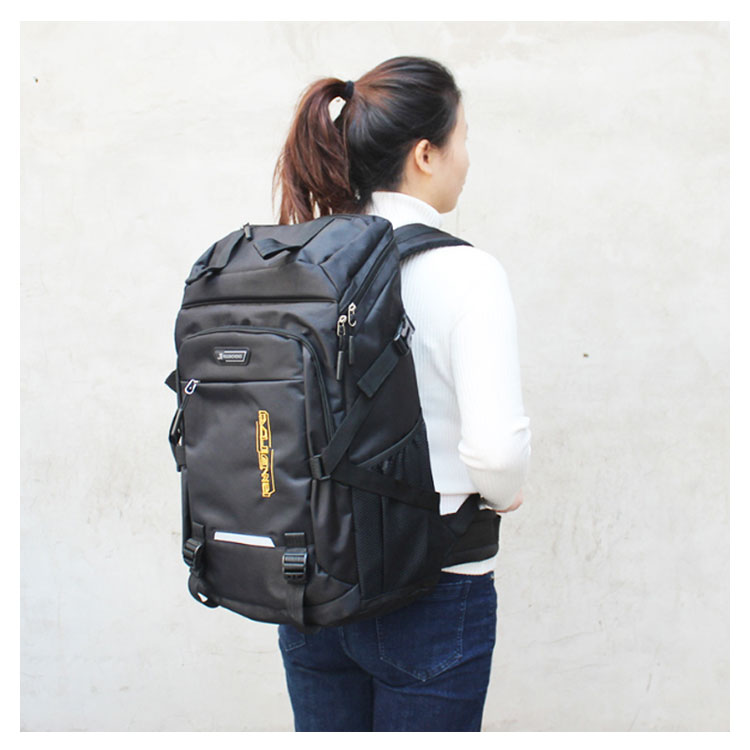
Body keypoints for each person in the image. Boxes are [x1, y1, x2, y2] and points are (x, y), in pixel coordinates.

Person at [271, 56, 531, 732]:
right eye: (462, 138)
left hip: (312, 579)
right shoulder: (466, 272)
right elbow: (497, 453)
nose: (466, 158)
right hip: (431, 586)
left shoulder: (304, 262)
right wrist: (503, 491)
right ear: (425, 153)